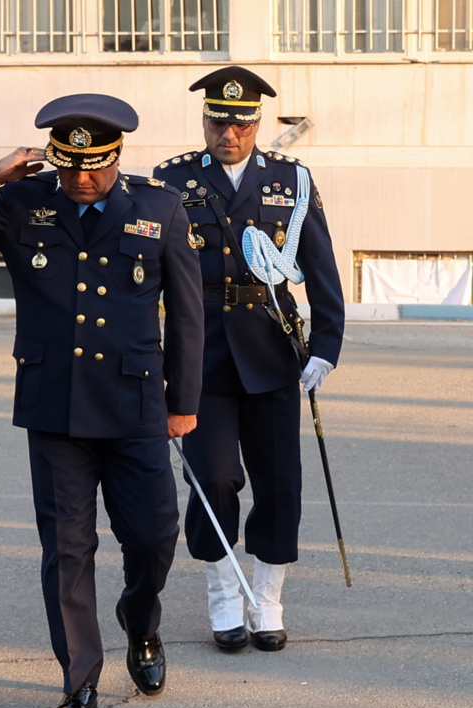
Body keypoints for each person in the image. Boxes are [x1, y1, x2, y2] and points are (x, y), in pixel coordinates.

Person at [0, 95, 203, 708]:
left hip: (136, 405)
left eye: (94, 166)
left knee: (153, 538)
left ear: (116, 156)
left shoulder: (158, 206)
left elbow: (185, 314)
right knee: (67, 550)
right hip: (56, 406)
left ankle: (141, 621)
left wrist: (184, 403)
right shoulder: (21, 203)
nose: (82, 179)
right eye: (69, 167)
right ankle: (79, 684)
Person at [155, 67, 344, 653]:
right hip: (200, 353)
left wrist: (326, 349)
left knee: (280, 483)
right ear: (205, 120)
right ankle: (223, 596)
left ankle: (268, 601)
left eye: (240, 122)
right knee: (212, 480)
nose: (228, 132)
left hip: (271, 348)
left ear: (257, 122)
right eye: (218, 120)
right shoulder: (172, 180)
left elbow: (321, 268)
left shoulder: (290, 179)